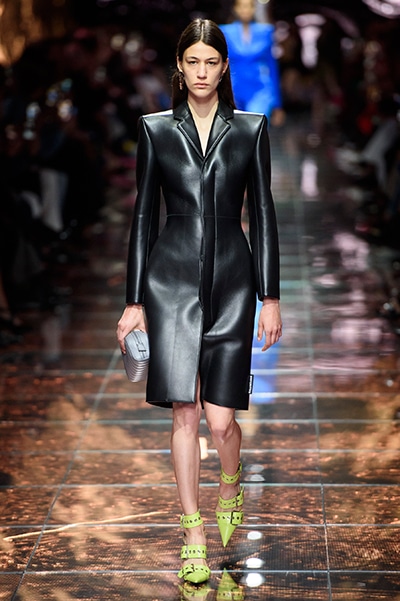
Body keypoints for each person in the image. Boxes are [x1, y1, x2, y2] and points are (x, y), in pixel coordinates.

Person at [117, 18, 282, 585]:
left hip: (234, 282)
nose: (202, 72)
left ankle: (230, 482)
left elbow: (263, 214)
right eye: (193, 62)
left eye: (212, 62)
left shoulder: (251, 129)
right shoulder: (156, 129)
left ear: (224, 67)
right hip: (170, 282)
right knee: (184, 412)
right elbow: (143, 216)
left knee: (221, 421)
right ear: (180, 67)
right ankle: (193, 533)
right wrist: (134, 301)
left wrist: (270, 295)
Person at [220, 0, 285, 126]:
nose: (245, 10)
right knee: (235, 131)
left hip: (260, 89)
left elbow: (272, 67)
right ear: (235, 9)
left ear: (254, 9)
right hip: (233, 89)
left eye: (249, 6)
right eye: (242, 6)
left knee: (255, 128)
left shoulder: (266, 32)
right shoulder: (225, 32)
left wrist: (278, 104)